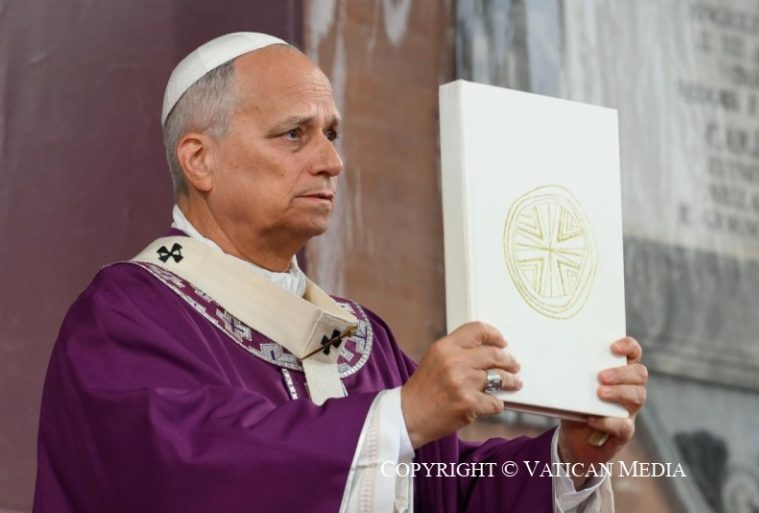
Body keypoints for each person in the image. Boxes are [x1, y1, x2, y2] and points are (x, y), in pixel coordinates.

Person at [33, 33, 648, 513]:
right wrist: (400, 417)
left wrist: (569, 459)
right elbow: (189, 473)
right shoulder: (127, 316)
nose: (331, 161)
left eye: (331, 134)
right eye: (293, 135)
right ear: (200, 160)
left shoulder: (360, 341)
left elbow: (443, 495)